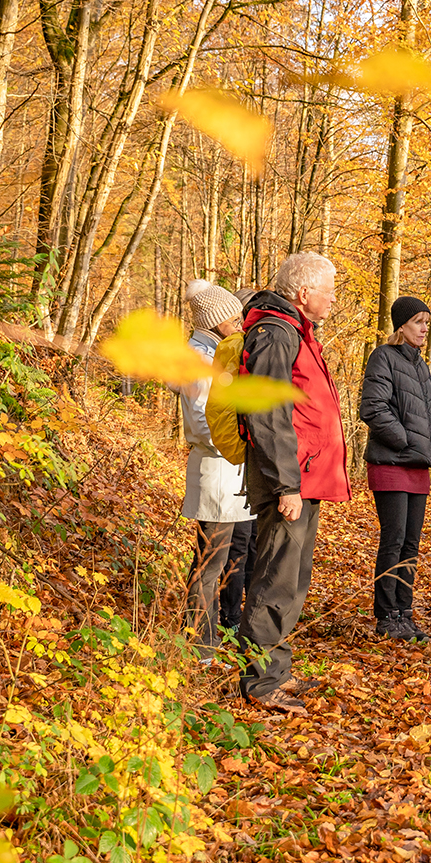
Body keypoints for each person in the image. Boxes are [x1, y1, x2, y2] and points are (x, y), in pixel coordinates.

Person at [237, 253, 350, 713]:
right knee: (275, 579)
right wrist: (286, 485)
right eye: (329, 291)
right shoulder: (276, 332)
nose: (333, 299)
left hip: (304, 477)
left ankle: (276, 671)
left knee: (291, 580)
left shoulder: (295, 332)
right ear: (304, 293)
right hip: (289, 479)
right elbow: (266, 412)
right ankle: (261, 682)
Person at [174, 280, 257, 665]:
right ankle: (200, 648)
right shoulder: (199, 360)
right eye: (234, 318)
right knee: (210, 564)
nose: (240, 324)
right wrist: (241, 438)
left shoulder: (215, 354)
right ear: (215, 320)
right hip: (216, 468)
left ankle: (211, 638)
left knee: (225, 560)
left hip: (230, 468)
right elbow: (202, 420)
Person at [359, 296, 431, 642]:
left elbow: (430, 415)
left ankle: (404, 613)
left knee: (411, 543)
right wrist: (406, 441)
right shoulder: (383, 356)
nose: (425, 328)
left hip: (418, 466)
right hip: (391, 463)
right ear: (401, 326)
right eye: (418, 322)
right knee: (393, 540)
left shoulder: (421, 365)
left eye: (426, 321)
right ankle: (386, 616)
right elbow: (373, 408)